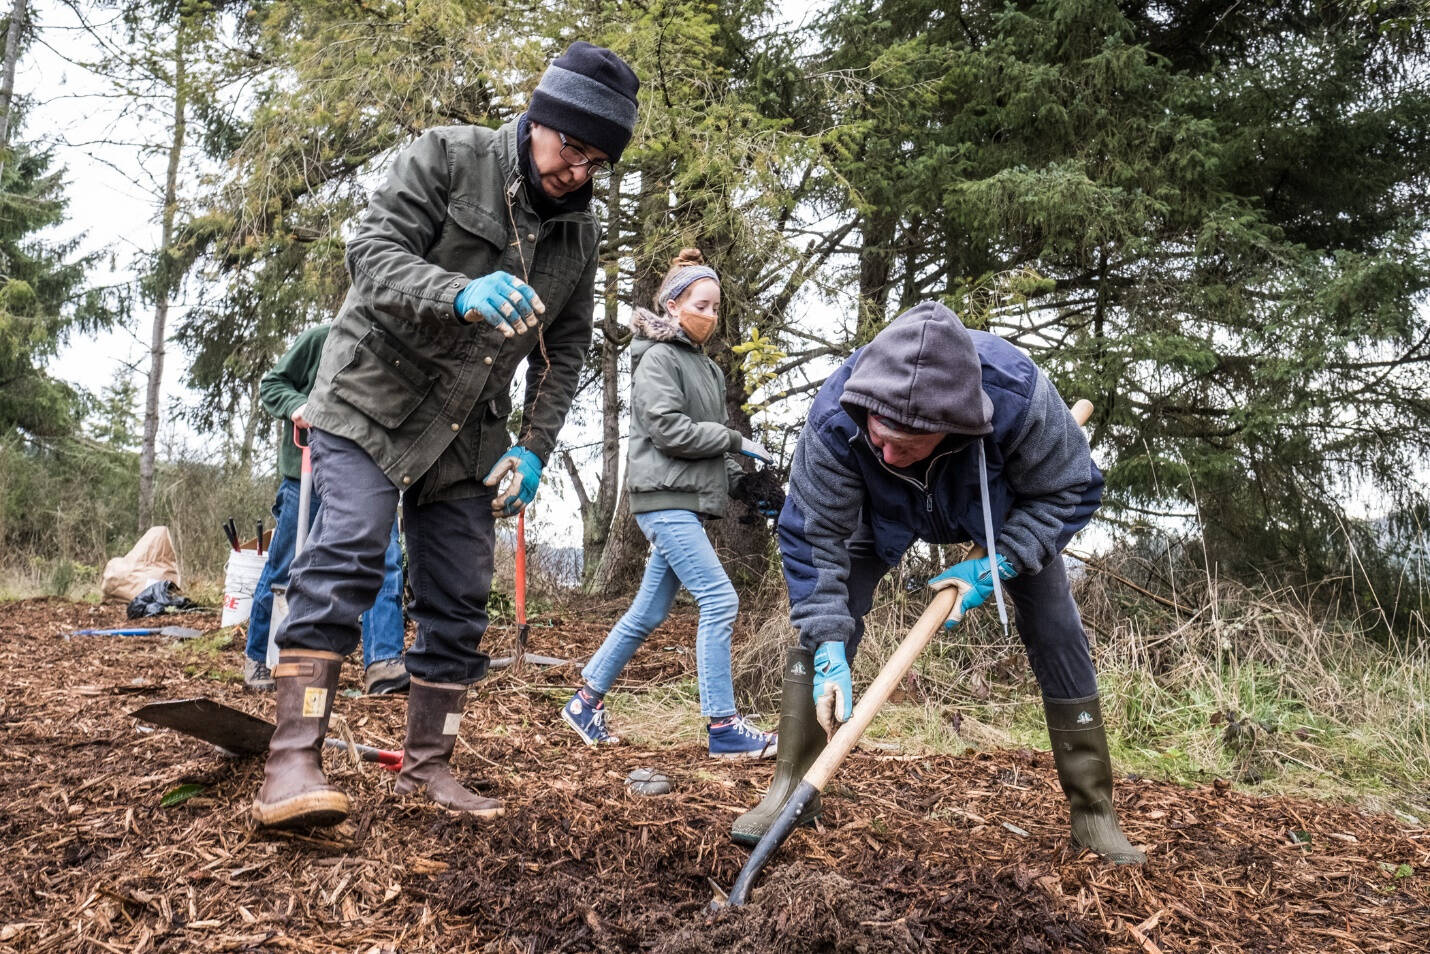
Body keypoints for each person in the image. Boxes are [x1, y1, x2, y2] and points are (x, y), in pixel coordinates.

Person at [251, 41, 640, 829]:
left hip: (467, 430)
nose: (578, 173)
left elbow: (562, 352)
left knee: (462, 595)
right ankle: (292, 758)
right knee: (348, 553)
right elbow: (370, 254)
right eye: (571, 149)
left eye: (597, 161)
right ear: (538, 121)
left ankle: (428, 767)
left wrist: (534, 447)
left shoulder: (578, 236)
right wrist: (458, 292)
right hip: (370, 398)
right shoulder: (448, 156)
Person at [732, 300, 1144, 865]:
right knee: (828, 613)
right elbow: (811, 537)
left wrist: (1001, 563)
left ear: (951, 427)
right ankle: (789, 793)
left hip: (1002, 514)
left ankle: (1094, 812)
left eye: (907, 445)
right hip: (877, 513)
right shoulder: (838, 416)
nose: (888, 452)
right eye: (880, 437)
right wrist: (828, 641)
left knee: (1056, 627)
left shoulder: (1018, 397)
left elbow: (1068, 488)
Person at [557, 250, 778, 759]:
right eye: (702, 303)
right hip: (663, 502)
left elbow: (708, 454)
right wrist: (734, 440)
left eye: (717, 307)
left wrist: (744, 485)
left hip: (686, 500)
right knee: (720, 601)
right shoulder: (656, 358)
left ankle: (585, 701)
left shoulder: (710, 371)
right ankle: (722, 726)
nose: (712, 315)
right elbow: (669, 430)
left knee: (648, 610)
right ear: (674, 306)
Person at [243, 324, 408, 697]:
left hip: (371, 477)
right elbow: (273, 385)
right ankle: (259, 656)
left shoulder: (395, 351)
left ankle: (383, 661)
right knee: (287, 563)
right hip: (308, 474)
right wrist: (297, 406)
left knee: (383, 561)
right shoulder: (322, 338)